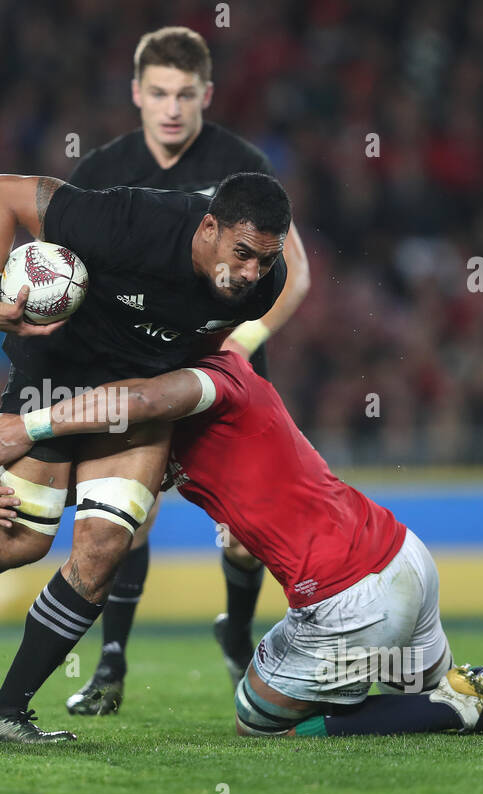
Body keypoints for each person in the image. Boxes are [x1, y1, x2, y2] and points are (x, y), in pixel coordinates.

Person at [0, 351, 483, 738]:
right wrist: (7, 493)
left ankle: (458, 712)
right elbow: (112, 502)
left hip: (346, 593)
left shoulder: (210, 381)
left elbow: (147, 405)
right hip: (401, 555)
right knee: (412, 680)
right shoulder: (224, 395)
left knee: (258, 718)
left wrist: (30, 425)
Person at [0, 171, 291, 742]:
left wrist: (182, 435)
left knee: (102, 549)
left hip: (137, 402)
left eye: (264, 261)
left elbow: (209, 347)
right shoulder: (128, 222)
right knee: (22, 541)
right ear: (209, 226)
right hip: (56, 379)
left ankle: (6, 713)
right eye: (242, 255)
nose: (250, 274)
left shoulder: (264, 284)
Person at [63, 26, 311, 716]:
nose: (172, 109)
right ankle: (110, 664)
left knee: (245, 531)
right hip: (140, 371)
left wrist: (247, 337)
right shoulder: (103, 170)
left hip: (225, 375)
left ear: (206, 94)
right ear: (137, 93)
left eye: (185, 95)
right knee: (126, 514)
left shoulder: (241, 163)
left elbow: (297, 271)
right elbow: (71, 267)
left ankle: (235, 630)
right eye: (159, 93)